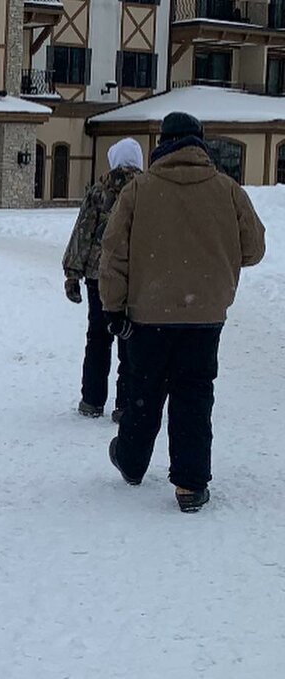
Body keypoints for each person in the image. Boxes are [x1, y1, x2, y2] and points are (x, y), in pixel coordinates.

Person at [99, 112, 265, 513]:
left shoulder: (138, 191)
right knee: (194, 393)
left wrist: (113, 307)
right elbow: (254, 248)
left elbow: (113, 254)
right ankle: (190, 484)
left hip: (148, 314)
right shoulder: (227, 190)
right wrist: (216, 257)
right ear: (199, 142)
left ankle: (132, 461)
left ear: (163, 144)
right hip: (204, 316)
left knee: (144, 390)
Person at [62, 137, 144, 421]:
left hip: (100, 276)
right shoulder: (148, 192)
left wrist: (73, 273)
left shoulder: (99, 191)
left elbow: (83, 233)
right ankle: (127, 403)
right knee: (130, 341)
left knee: (98, 337)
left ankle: (92, 399)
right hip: (136, 276)